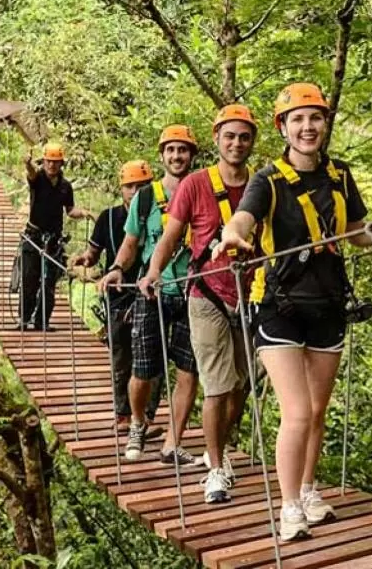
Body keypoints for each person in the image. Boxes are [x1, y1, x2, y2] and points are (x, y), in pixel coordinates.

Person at [214, 83, 372, 541]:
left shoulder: (340, 176)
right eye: (298, 119)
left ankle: (309, 491)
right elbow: (244, 219)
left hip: (328, 303)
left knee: (316, 411)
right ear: (283, 128)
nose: (308, 126)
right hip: (277, 305)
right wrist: (233, 234)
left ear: (324, 123)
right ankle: (288, 508)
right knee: (296, 412)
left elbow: (354, 232)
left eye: (315, 118)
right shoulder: (268, 180)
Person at [140, 105, 257, 504]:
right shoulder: (194, 184)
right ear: (217, 139)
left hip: (250, 296)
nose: (236, 143)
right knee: (218, 385)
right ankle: (217, 469)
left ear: (252, 141)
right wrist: (154, 270)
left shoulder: (261, 185)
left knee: (242, 384)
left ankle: (216, 448)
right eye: (230, 136)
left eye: (244, 137)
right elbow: (171, 235)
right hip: (205, 293)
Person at [98, 125, 202, 466]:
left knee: (189, 371)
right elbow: (132, 244)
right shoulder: (145, 198)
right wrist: (115, 267)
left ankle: (173, 442)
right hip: (151, 290)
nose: (177, 156)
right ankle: (138, 422)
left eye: (183, 150)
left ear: (192, 155)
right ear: (162, 155)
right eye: (171, 150)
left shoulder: (203, 192)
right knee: (142, 370)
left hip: (193, 292)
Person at [71, 160, 162, 434]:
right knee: (122, 355)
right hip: (119, 295)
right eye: (130, 186)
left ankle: (145, 415)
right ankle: (124, 415)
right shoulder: (108, 218)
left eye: (142, 186)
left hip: (151, 292)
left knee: (151, 357)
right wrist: (86, 259)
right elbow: (95, 251)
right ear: (121, 188)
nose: (135, 191)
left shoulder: (161, 214)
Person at [19, 142, 94, 331]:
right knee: (29, 278)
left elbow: (69, 210)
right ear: (43, 162)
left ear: (61, 163)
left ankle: (42, 321)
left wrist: (84, 212)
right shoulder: (38, 179)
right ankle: (24, 319)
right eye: (48, 161)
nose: (52, 165)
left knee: (49, 283)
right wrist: (27, 163)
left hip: (53, 240)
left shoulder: (65, 186)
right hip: (33, 237)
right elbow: (31, 173)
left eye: (55, 162)